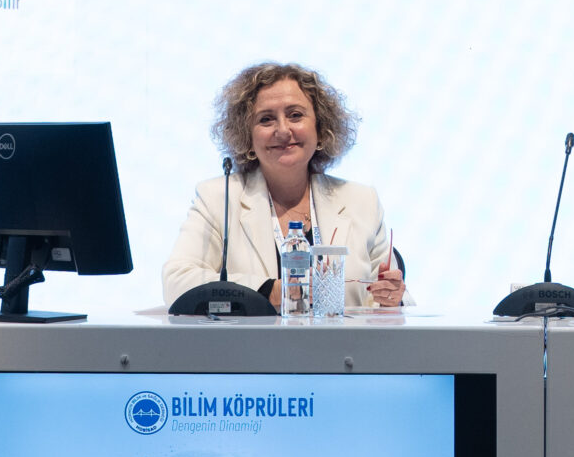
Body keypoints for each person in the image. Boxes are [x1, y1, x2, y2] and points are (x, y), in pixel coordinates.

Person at [162, 61, 405, 313]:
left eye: (295, 115)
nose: (283, 130)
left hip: (343, 339)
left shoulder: (361, 201)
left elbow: (394, 301)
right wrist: (270, 291)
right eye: (266, 119)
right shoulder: (218, 198)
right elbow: (177, 282)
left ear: (321, 128)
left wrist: (393, 298)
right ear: (248, 137)